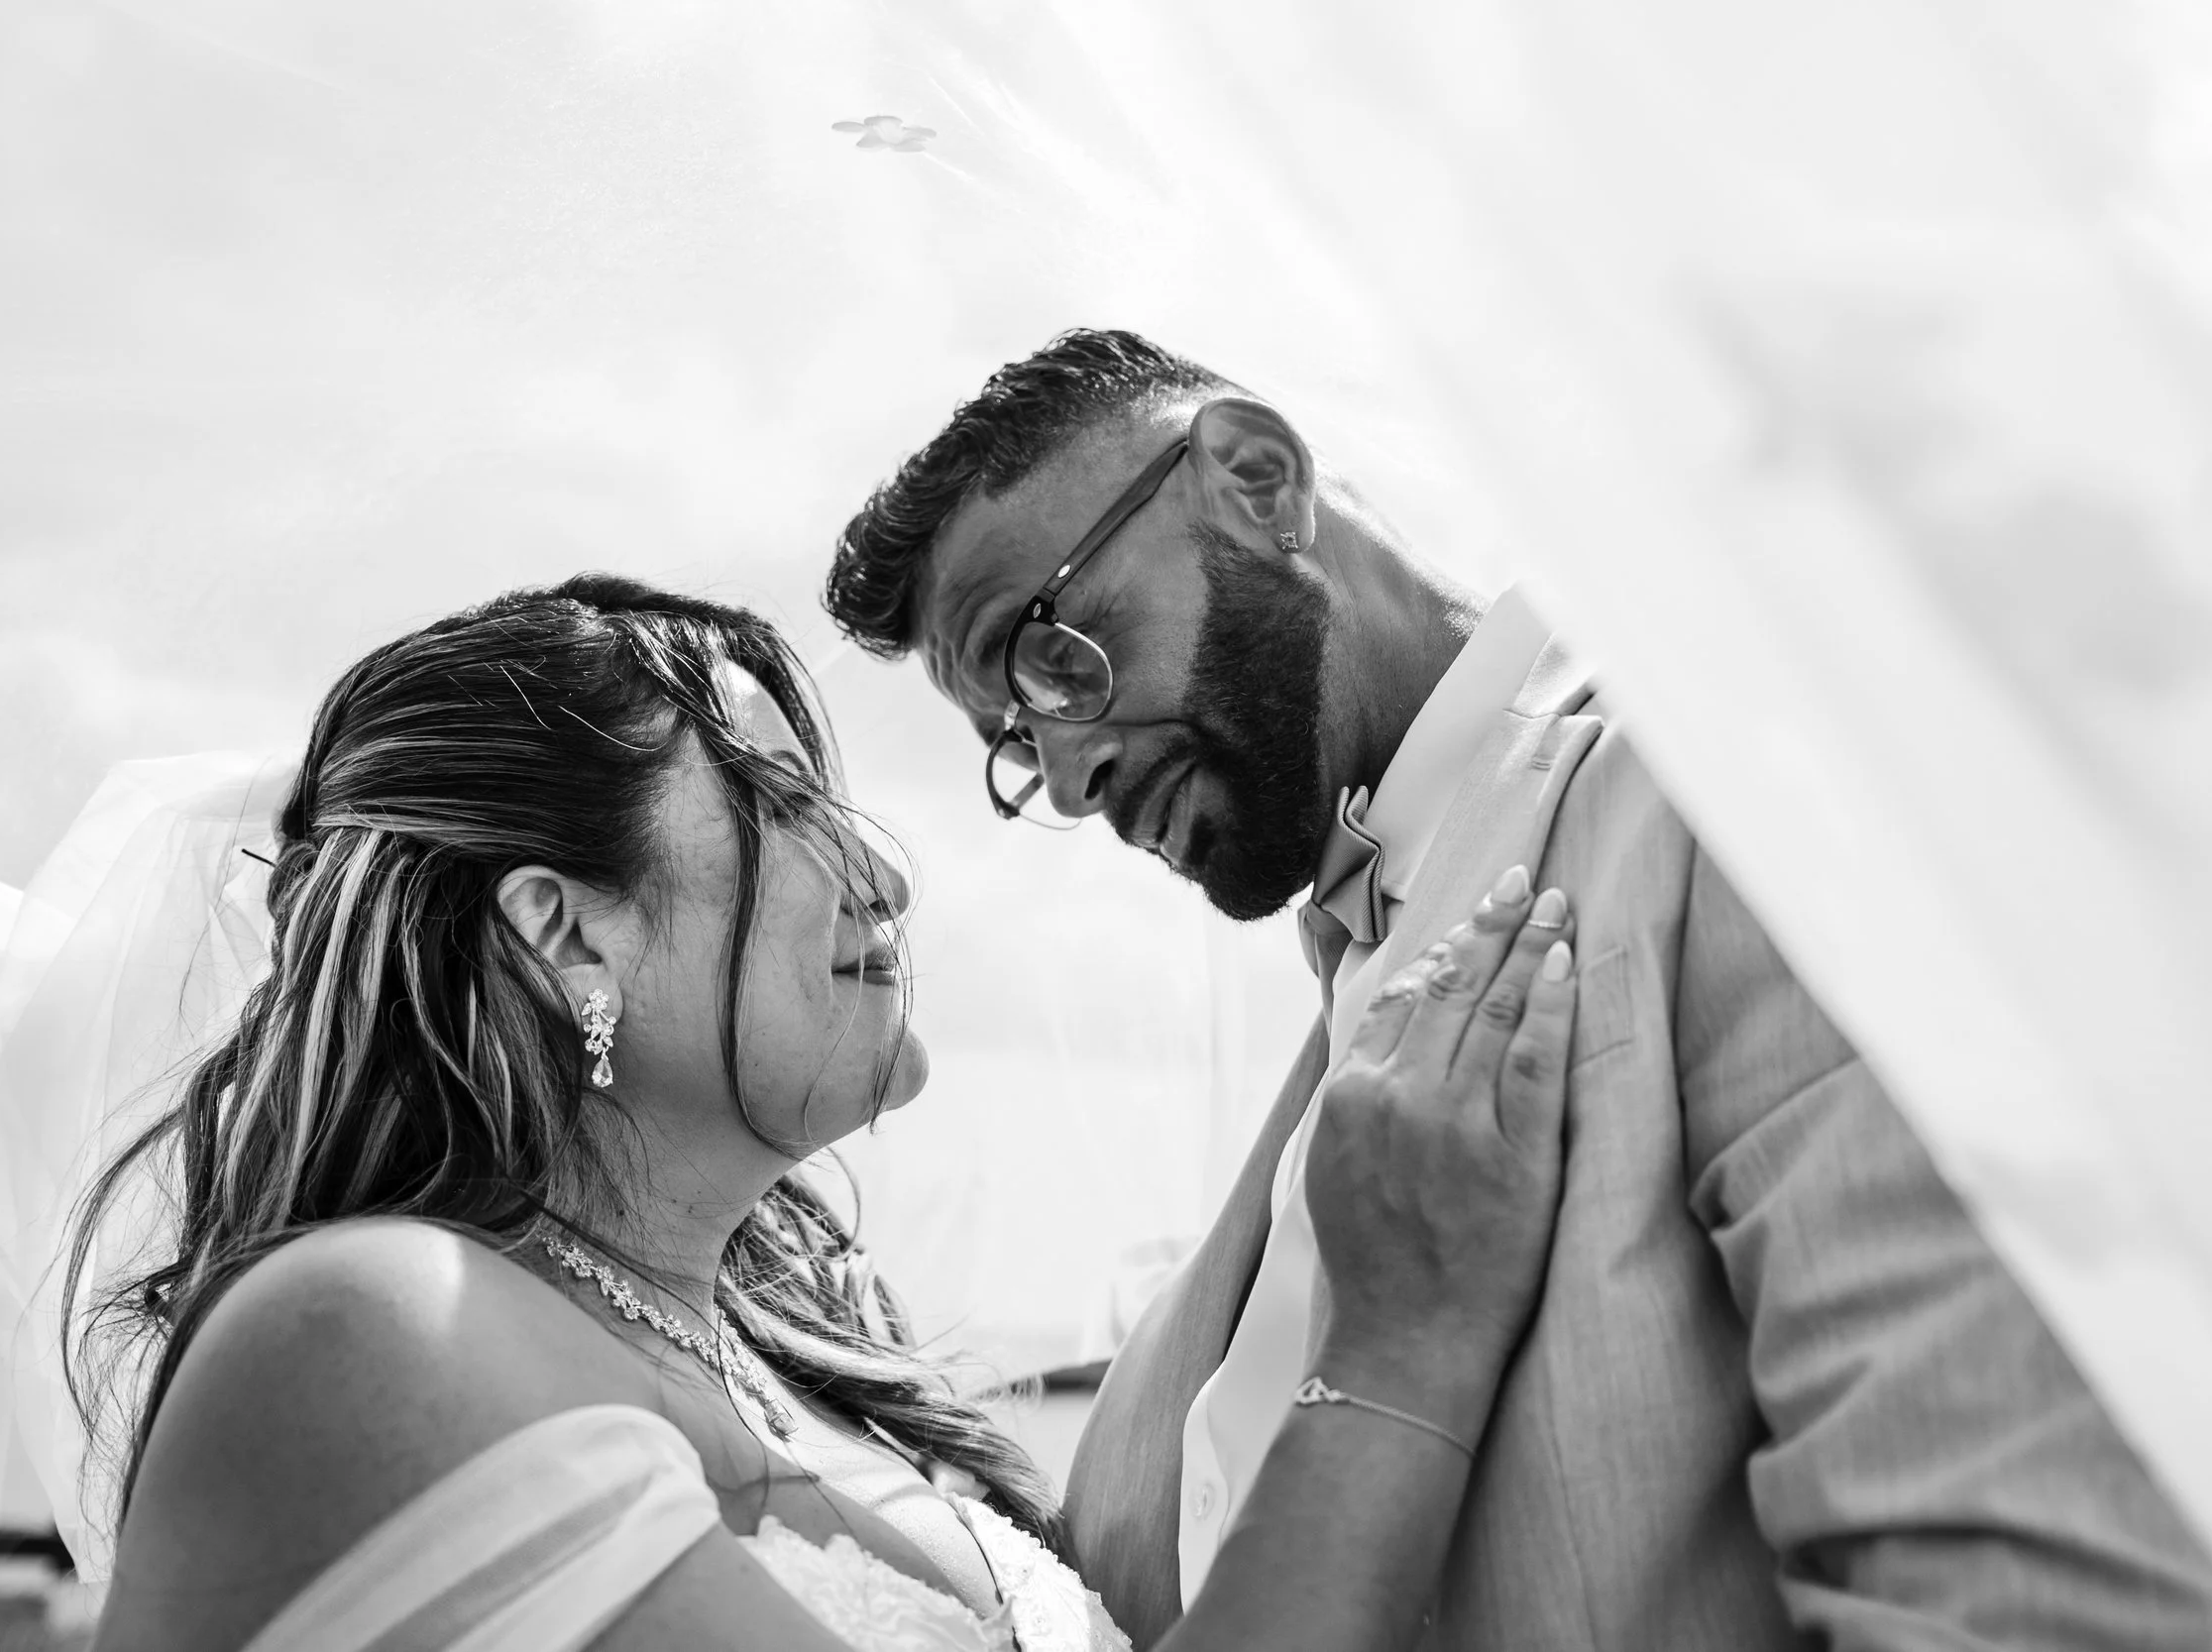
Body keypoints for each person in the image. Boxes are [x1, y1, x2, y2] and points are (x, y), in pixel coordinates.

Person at [823, 329, 2212, 1647]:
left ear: (1257, 481)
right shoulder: (1353, 978)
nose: (1070, 778)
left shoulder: (1728, 802)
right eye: (1015, 744)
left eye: (1055, 656)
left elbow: (2017, 1590)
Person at [75, 573, 1585, 1652]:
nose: (886, 876)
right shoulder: (379, 1331)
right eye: (783, 799)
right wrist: (1401, 1346)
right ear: (566, 931)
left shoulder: (800, 1367)